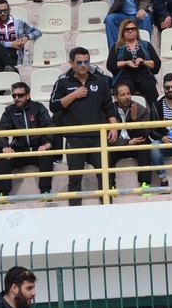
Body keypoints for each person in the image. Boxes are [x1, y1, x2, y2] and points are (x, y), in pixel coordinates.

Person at [49, 47, 119, 206]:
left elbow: (109, 107)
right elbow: (54, 106)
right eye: (79, 62)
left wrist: (114, 127)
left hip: (98, 136)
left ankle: (108, 210)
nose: (83, 65)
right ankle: (75, 213)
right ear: (71, 63)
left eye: (86, 61)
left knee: (105, 177)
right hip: (75, 138)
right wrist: (74, 95)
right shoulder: (62, 82)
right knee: (74, 179)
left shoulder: (100, 81)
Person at [0, 82, 55, 196]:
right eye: (14, 96)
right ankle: (3, 195)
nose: (17, 98)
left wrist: (47, 143)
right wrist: (5, 146)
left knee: (47, 155)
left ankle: (45, 192)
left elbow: (49, 125)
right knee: (3, 158)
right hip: (19, 150)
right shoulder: (9, 111)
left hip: (38, 148)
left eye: (20, 95)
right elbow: (2, 131)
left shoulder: (38, 107)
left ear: (28, 95)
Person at [110, 82, 154, 190]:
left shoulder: (140, 109)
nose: (127, 97)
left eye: (128, 93)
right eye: (123, 95)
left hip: (136, 144)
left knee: (144, 147)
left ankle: (145, 184)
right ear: (115, 98)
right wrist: (127, 143)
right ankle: (110, 186)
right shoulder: (109, 112)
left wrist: (135, 120)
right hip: (118, 145)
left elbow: (145, 134)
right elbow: (107, 137)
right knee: (106, 152)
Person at [107, 19, 160, 106]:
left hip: (144, 75)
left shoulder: (146, 45)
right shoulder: (116, 46)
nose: (130, 31)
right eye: (127, 29)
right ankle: (123, 113)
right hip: (124, 76)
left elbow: (157, 64)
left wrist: (144, 62)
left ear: (137, 31)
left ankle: (156, 112)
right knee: (124, 90)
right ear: (122, 32)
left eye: (133, 29)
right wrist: (126, 63)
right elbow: (110, 65)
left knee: (149, 86)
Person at [0, 0, 42, 73]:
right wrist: (10, 44)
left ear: (9, 10)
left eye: (5, 11)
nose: (3, 13)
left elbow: (38, 32)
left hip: (12, 55)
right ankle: (14, 71)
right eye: (0, 12)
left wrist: (27, 37)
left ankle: (9, 74)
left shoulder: (18, 23)